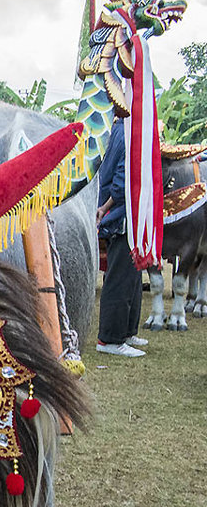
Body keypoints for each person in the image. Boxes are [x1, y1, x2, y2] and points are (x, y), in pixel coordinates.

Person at [96, 118, 148, 357]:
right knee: (120, 277)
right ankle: (110, 339)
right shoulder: (129, 134)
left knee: (132, 277)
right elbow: (121, 184)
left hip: (124, 215)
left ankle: (126, 332)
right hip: (122, 215)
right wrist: (106, 208)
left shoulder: (118, 129)